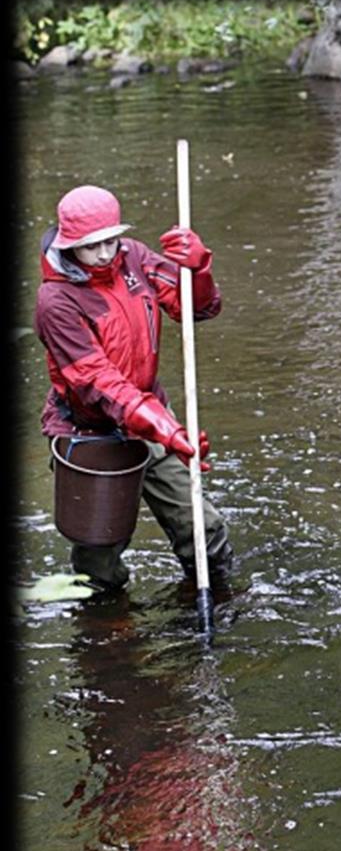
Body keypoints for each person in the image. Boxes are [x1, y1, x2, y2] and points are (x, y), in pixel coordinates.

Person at [34, 184, 233, 594]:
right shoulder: (56, 300)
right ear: (71, 244)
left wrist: (197, 270)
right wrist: (164, 428)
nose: (106, 253)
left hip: (151, 418)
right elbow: (96, 381)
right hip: (89, 432)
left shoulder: (134, 258)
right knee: (98, 559)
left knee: (203, 530)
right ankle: (108, 637)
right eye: (92, 246)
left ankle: (213, 602)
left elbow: (197, 309)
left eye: (111, 240)